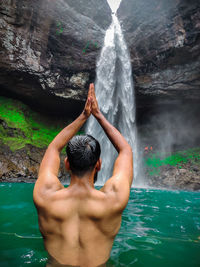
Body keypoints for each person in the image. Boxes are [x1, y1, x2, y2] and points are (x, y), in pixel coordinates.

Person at [33, 83, 133, 267]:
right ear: (99, 165)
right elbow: (125, 150)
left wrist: (83, 117)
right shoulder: (115, 199)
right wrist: (98, 115)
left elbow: (54, 148)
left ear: (67, 164)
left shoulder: (44, 195)